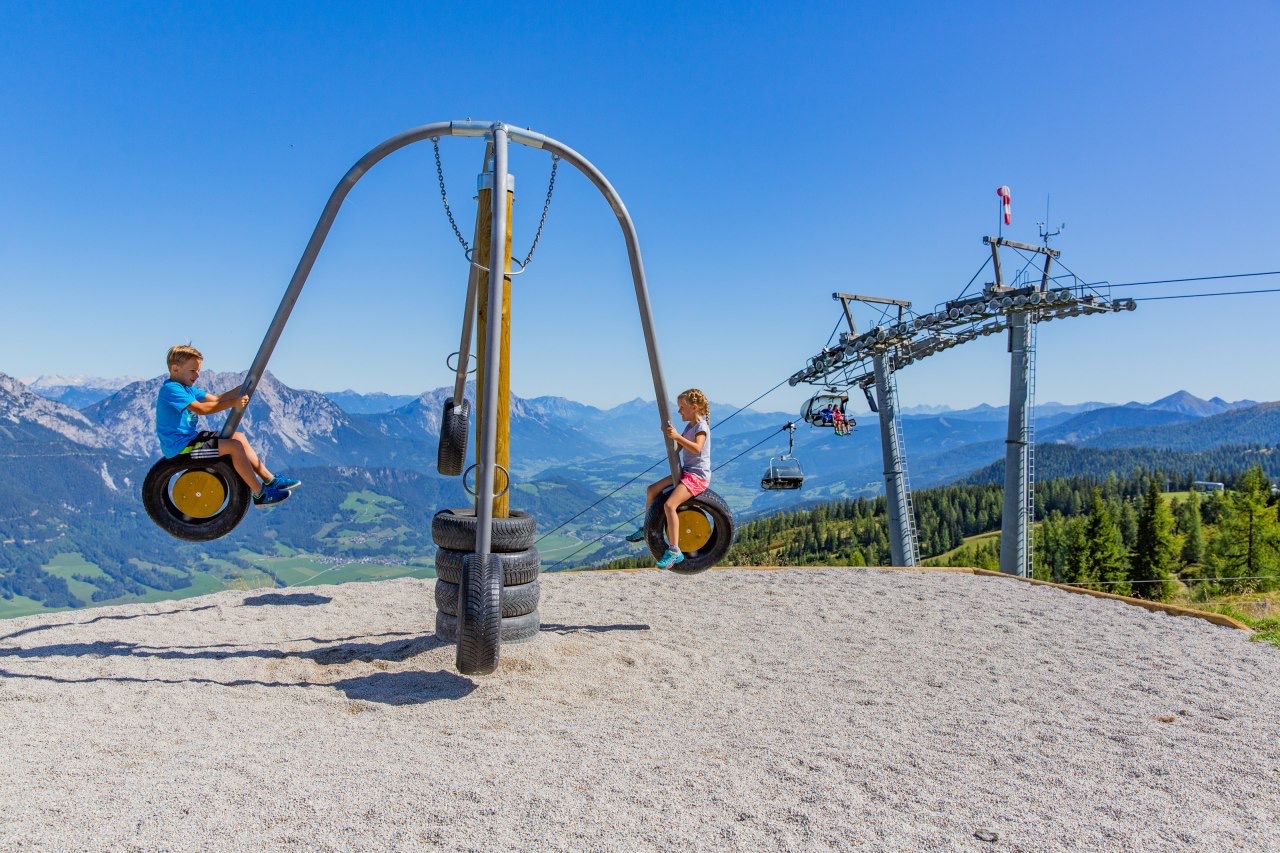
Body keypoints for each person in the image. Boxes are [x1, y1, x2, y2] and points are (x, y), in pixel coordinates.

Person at [155, 344, 300, 507]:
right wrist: (233, 403)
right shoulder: (171, 389)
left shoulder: (188, 389)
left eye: (198, 370)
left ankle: (270, 480)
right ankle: (260, 494)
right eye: (193, 370)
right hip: (180, 449)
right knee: (234, 447)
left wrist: (243, 389)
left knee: (239, 437)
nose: (197, 374)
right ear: (175, 369)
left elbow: (216, 399)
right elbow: (200, 409)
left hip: (190, 440)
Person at [625, 388, 712, 570]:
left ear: (694, 407)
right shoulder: (689, 427)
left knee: (669, 505)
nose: (679, 411)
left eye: (682, 407)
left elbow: (697, 448)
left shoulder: (701, 428)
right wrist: (670, 438)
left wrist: (677, 437)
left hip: (697, 476)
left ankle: (674, 550)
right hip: (687, 471)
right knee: (652, 490)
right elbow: (680, 447)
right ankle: (646, 527)